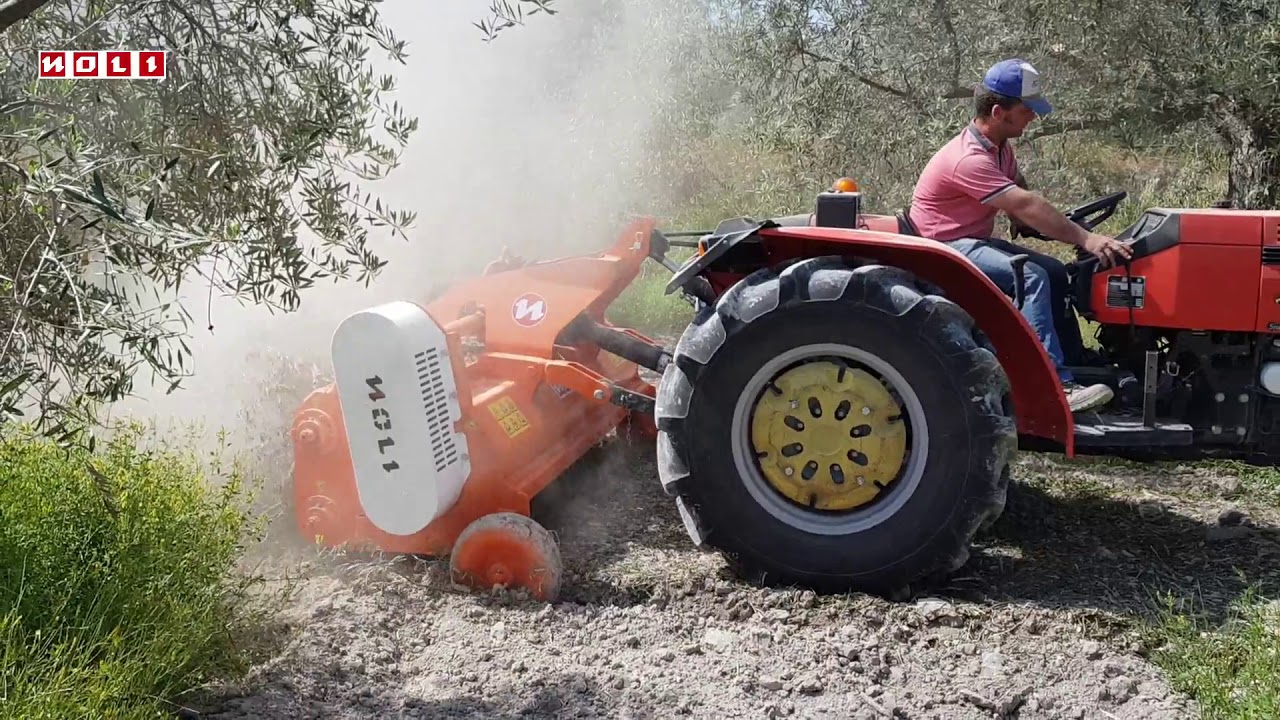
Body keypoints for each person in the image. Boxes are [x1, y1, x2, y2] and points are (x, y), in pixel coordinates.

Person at [908, 58, 1133, 413]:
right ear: (999, 112)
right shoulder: (966, 159)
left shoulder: (998, 148)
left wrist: (1037, 222)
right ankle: (1053, 385)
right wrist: (1085, 239)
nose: (1034, 117)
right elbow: (1025, 202)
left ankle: (1076, 362)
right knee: (1031, 276)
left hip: (972, 241)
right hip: (944, 248)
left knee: (1055, 271)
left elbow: (1016, 194)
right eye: (1027, 110)